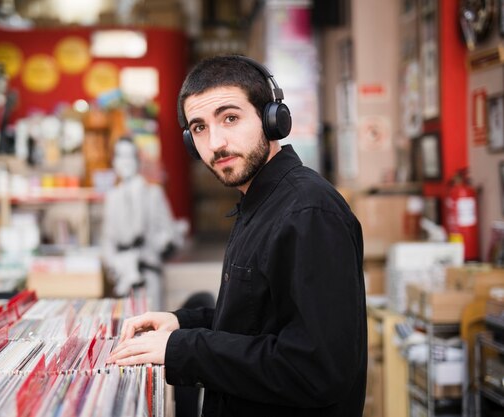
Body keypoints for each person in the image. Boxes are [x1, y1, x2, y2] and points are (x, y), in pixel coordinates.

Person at [108, 55, 367, 417]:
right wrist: (185, 323)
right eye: (199, 128)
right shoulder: (258, 202)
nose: (216, 143)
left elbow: (317, 369)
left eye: (230, 118)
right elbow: (263, 321)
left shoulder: (308, 213)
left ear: (272, 119)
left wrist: (185, 349)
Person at [101, 137, 185, 311]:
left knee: (152, 322)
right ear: (114, 162)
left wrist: (161, 242)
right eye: (120, 157)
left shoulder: (153, 192)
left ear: (137, 161)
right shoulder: (112, 198)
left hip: (149, 269)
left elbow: (167, 231)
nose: (125, 162)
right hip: (123, 274)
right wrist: (115, 264)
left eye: (129, 156)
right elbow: (107, 239)